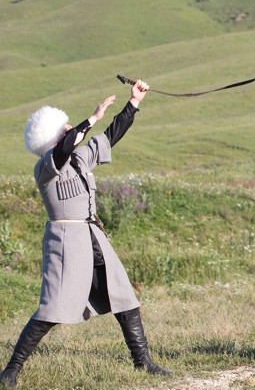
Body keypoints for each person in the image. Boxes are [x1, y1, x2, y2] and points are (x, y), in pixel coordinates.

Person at [0, 80, 171, 389]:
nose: (71, 129)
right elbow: (66, 146)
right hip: (66, 243)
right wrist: (91, 117)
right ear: (52, 138)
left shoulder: (80, 159)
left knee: (125, 298)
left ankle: (143, 362)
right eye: (65, 127)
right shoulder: (45, 168)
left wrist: (133, 103)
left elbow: (111, 136)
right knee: (52, 308)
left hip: (93, 237)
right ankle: (11, 370)